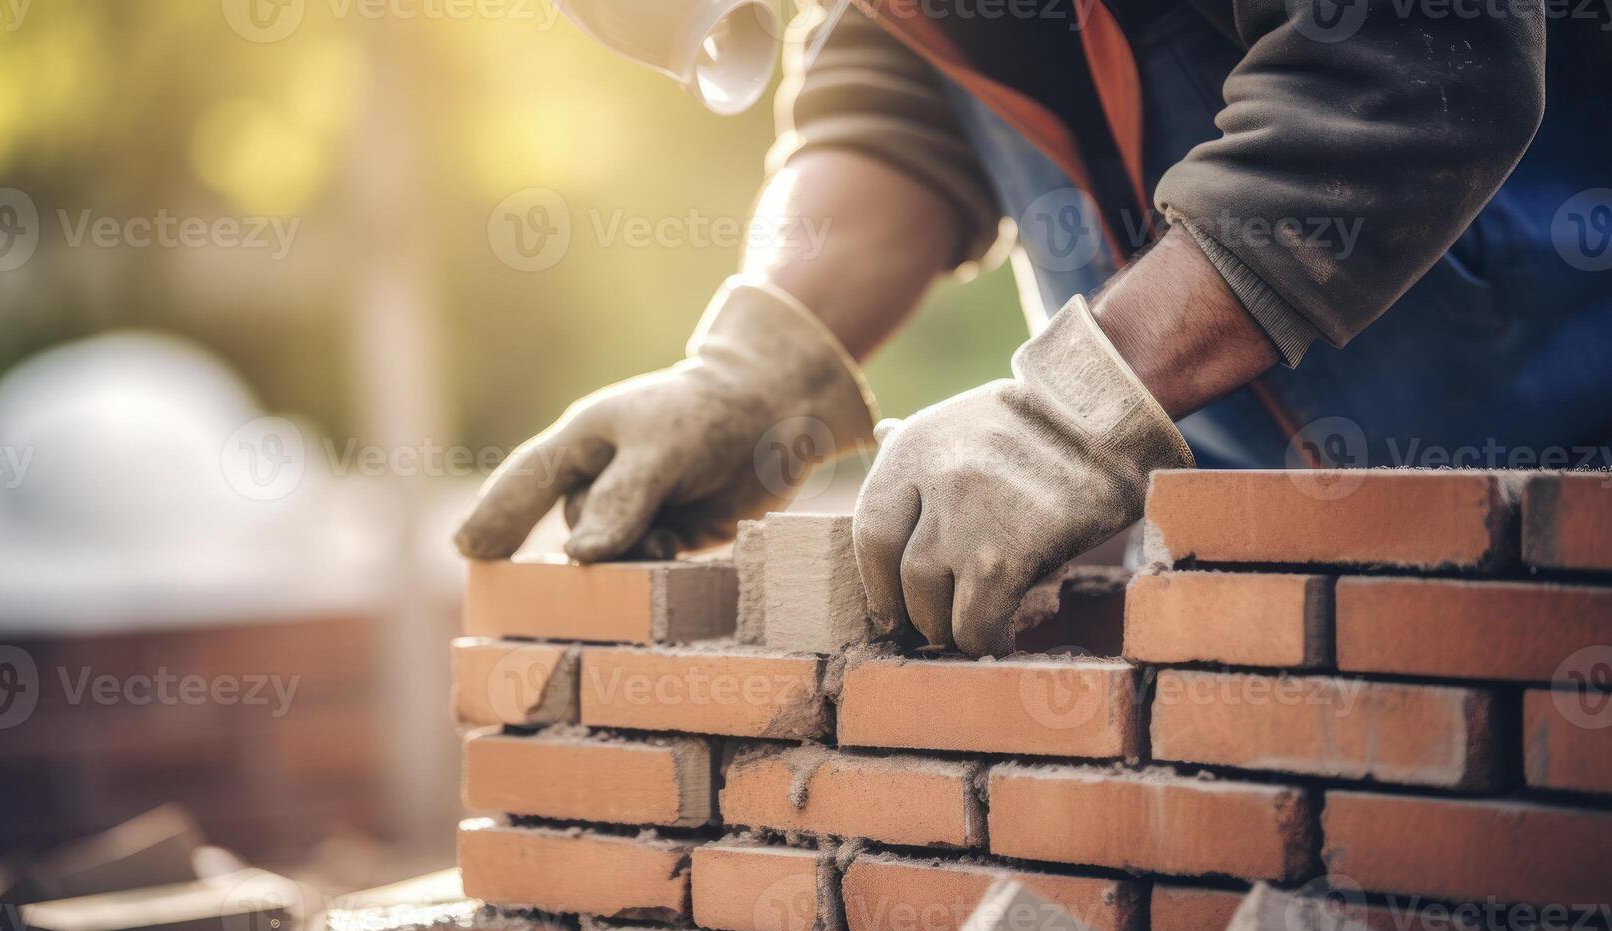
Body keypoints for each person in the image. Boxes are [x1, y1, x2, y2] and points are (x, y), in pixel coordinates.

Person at [457, 0, 1612, 657]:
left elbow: (1415, 61)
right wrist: (750, 362)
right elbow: (901, 91)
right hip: (1284, 580)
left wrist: (1080, 403)